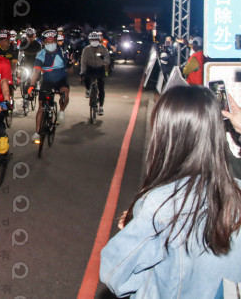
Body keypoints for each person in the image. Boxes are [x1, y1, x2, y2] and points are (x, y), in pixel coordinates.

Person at [100, 86, 241, 298]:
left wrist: (136, 229)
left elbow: (115, 274)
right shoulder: (236, 192)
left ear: (166, 135)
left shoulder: (160, 205)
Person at [28, 29, 70, 141]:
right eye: (47, 42)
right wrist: (31, 85)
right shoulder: (41, 54)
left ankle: (61, 111)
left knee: (65, 94)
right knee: (41, 108)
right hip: (47, 80)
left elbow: (69, 68)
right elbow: (36, 72)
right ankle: (37, 132)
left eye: (52, 42)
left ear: (56, 41)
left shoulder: (62, 52)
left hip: (61, 79)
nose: (50, 44)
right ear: (43, 43)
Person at [80, 32, 110, 115]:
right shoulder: (86, 49)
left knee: (101, 88)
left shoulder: (103, 48)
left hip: (100, 69)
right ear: (90, 40)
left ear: (99, 40)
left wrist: (103, 58)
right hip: (90, 68)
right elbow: (83, 62)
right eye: (92, 39)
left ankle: (101, 107)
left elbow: (108, 61)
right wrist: (82, 72)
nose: (94, 41)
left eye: (96, 39)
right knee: (86, 77)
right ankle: (88, 90)